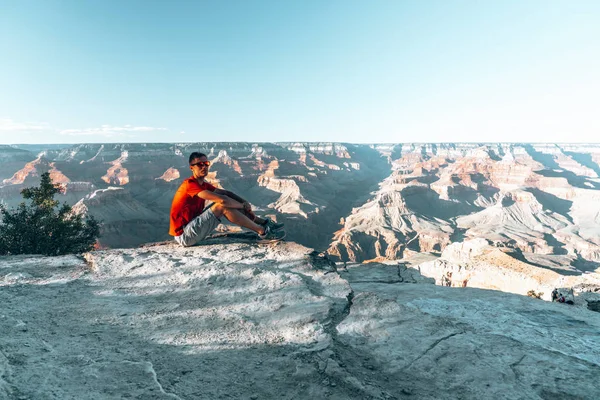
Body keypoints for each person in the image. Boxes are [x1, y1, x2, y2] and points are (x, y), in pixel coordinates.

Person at [169, 152, 285, 247]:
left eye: (206, 163)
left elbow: (226, 193)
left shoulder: (203, 184)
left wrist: (244, 201)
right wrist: (242, 206)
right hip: (185, 236)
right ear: (192, 168)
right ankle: (263, 232)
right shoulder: (190, 184)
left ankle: (264, 223)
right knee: (221, 205)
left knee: (229, 202)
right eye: (200, 164)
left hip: (192, 227)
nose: (204, 167)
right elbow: (223, 200)